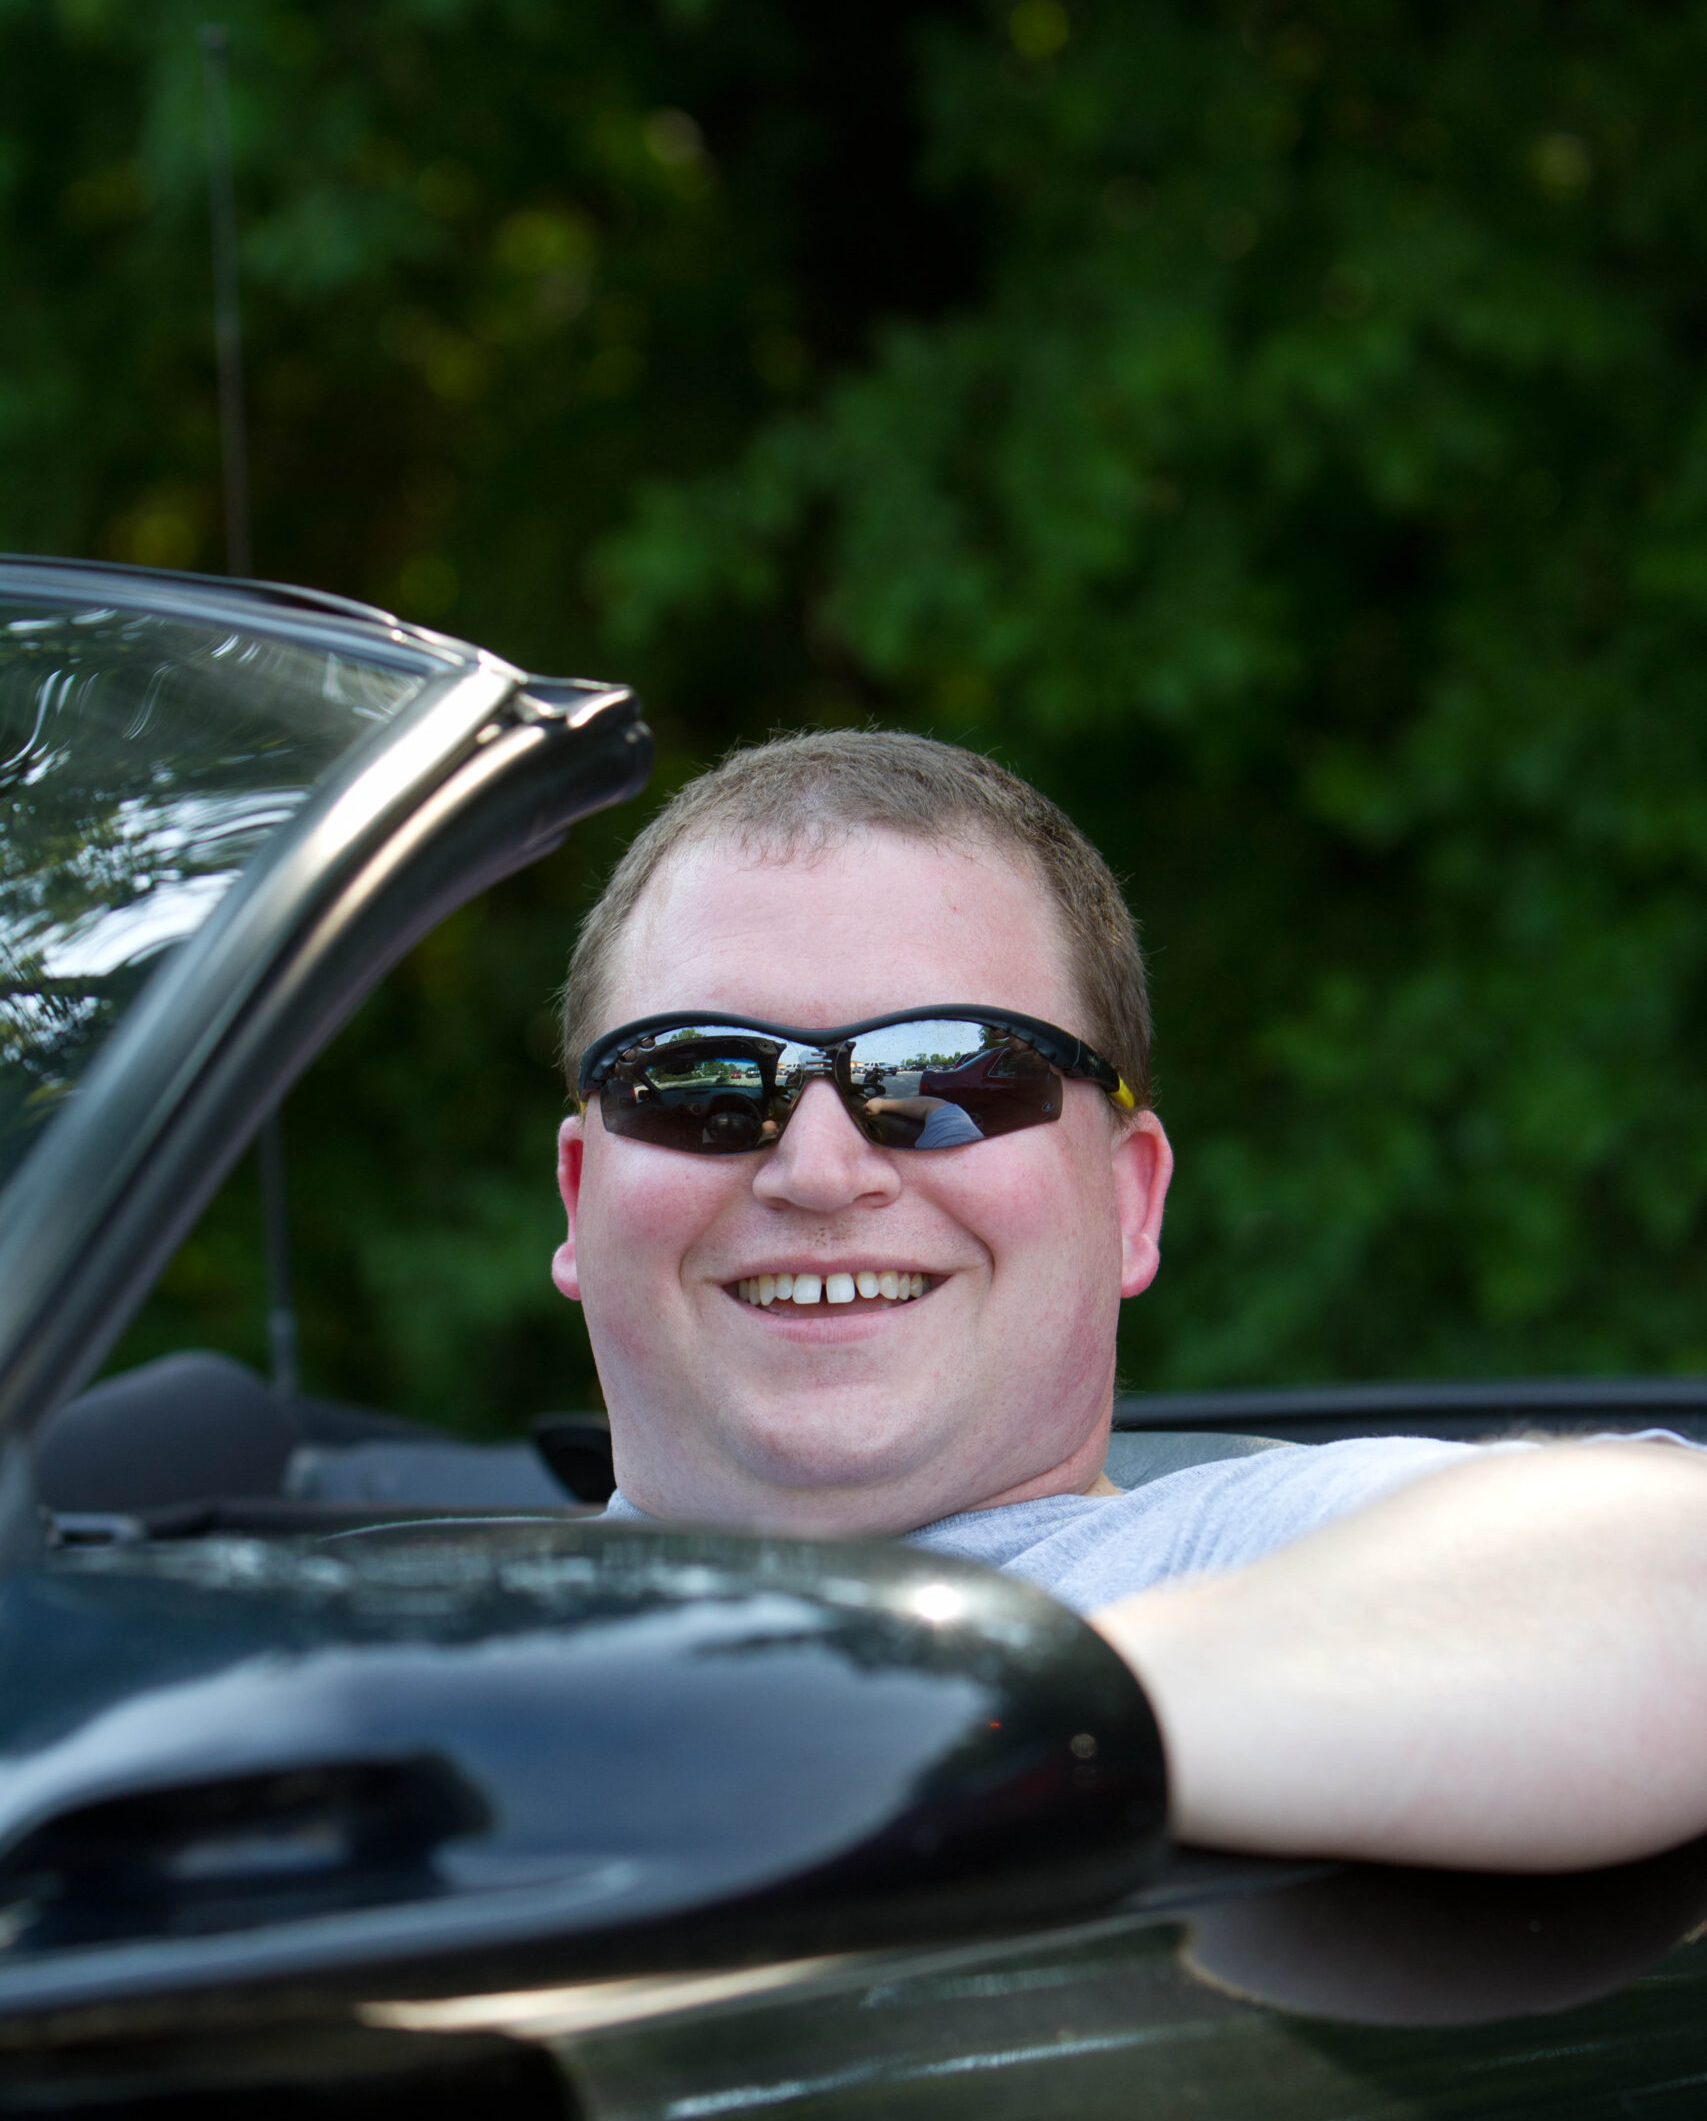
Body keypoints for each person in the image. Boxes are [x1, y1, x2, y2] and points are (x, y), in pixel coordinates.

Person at [551, 730, 1707, 1876]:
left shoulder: (1232, 1558)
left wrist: (917, 1726)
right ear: (578, 1192)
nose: (817, 1167)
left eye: (949, 1075)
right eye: (697, 1079)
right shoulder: (402, 1626)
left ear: (1130, 1201)